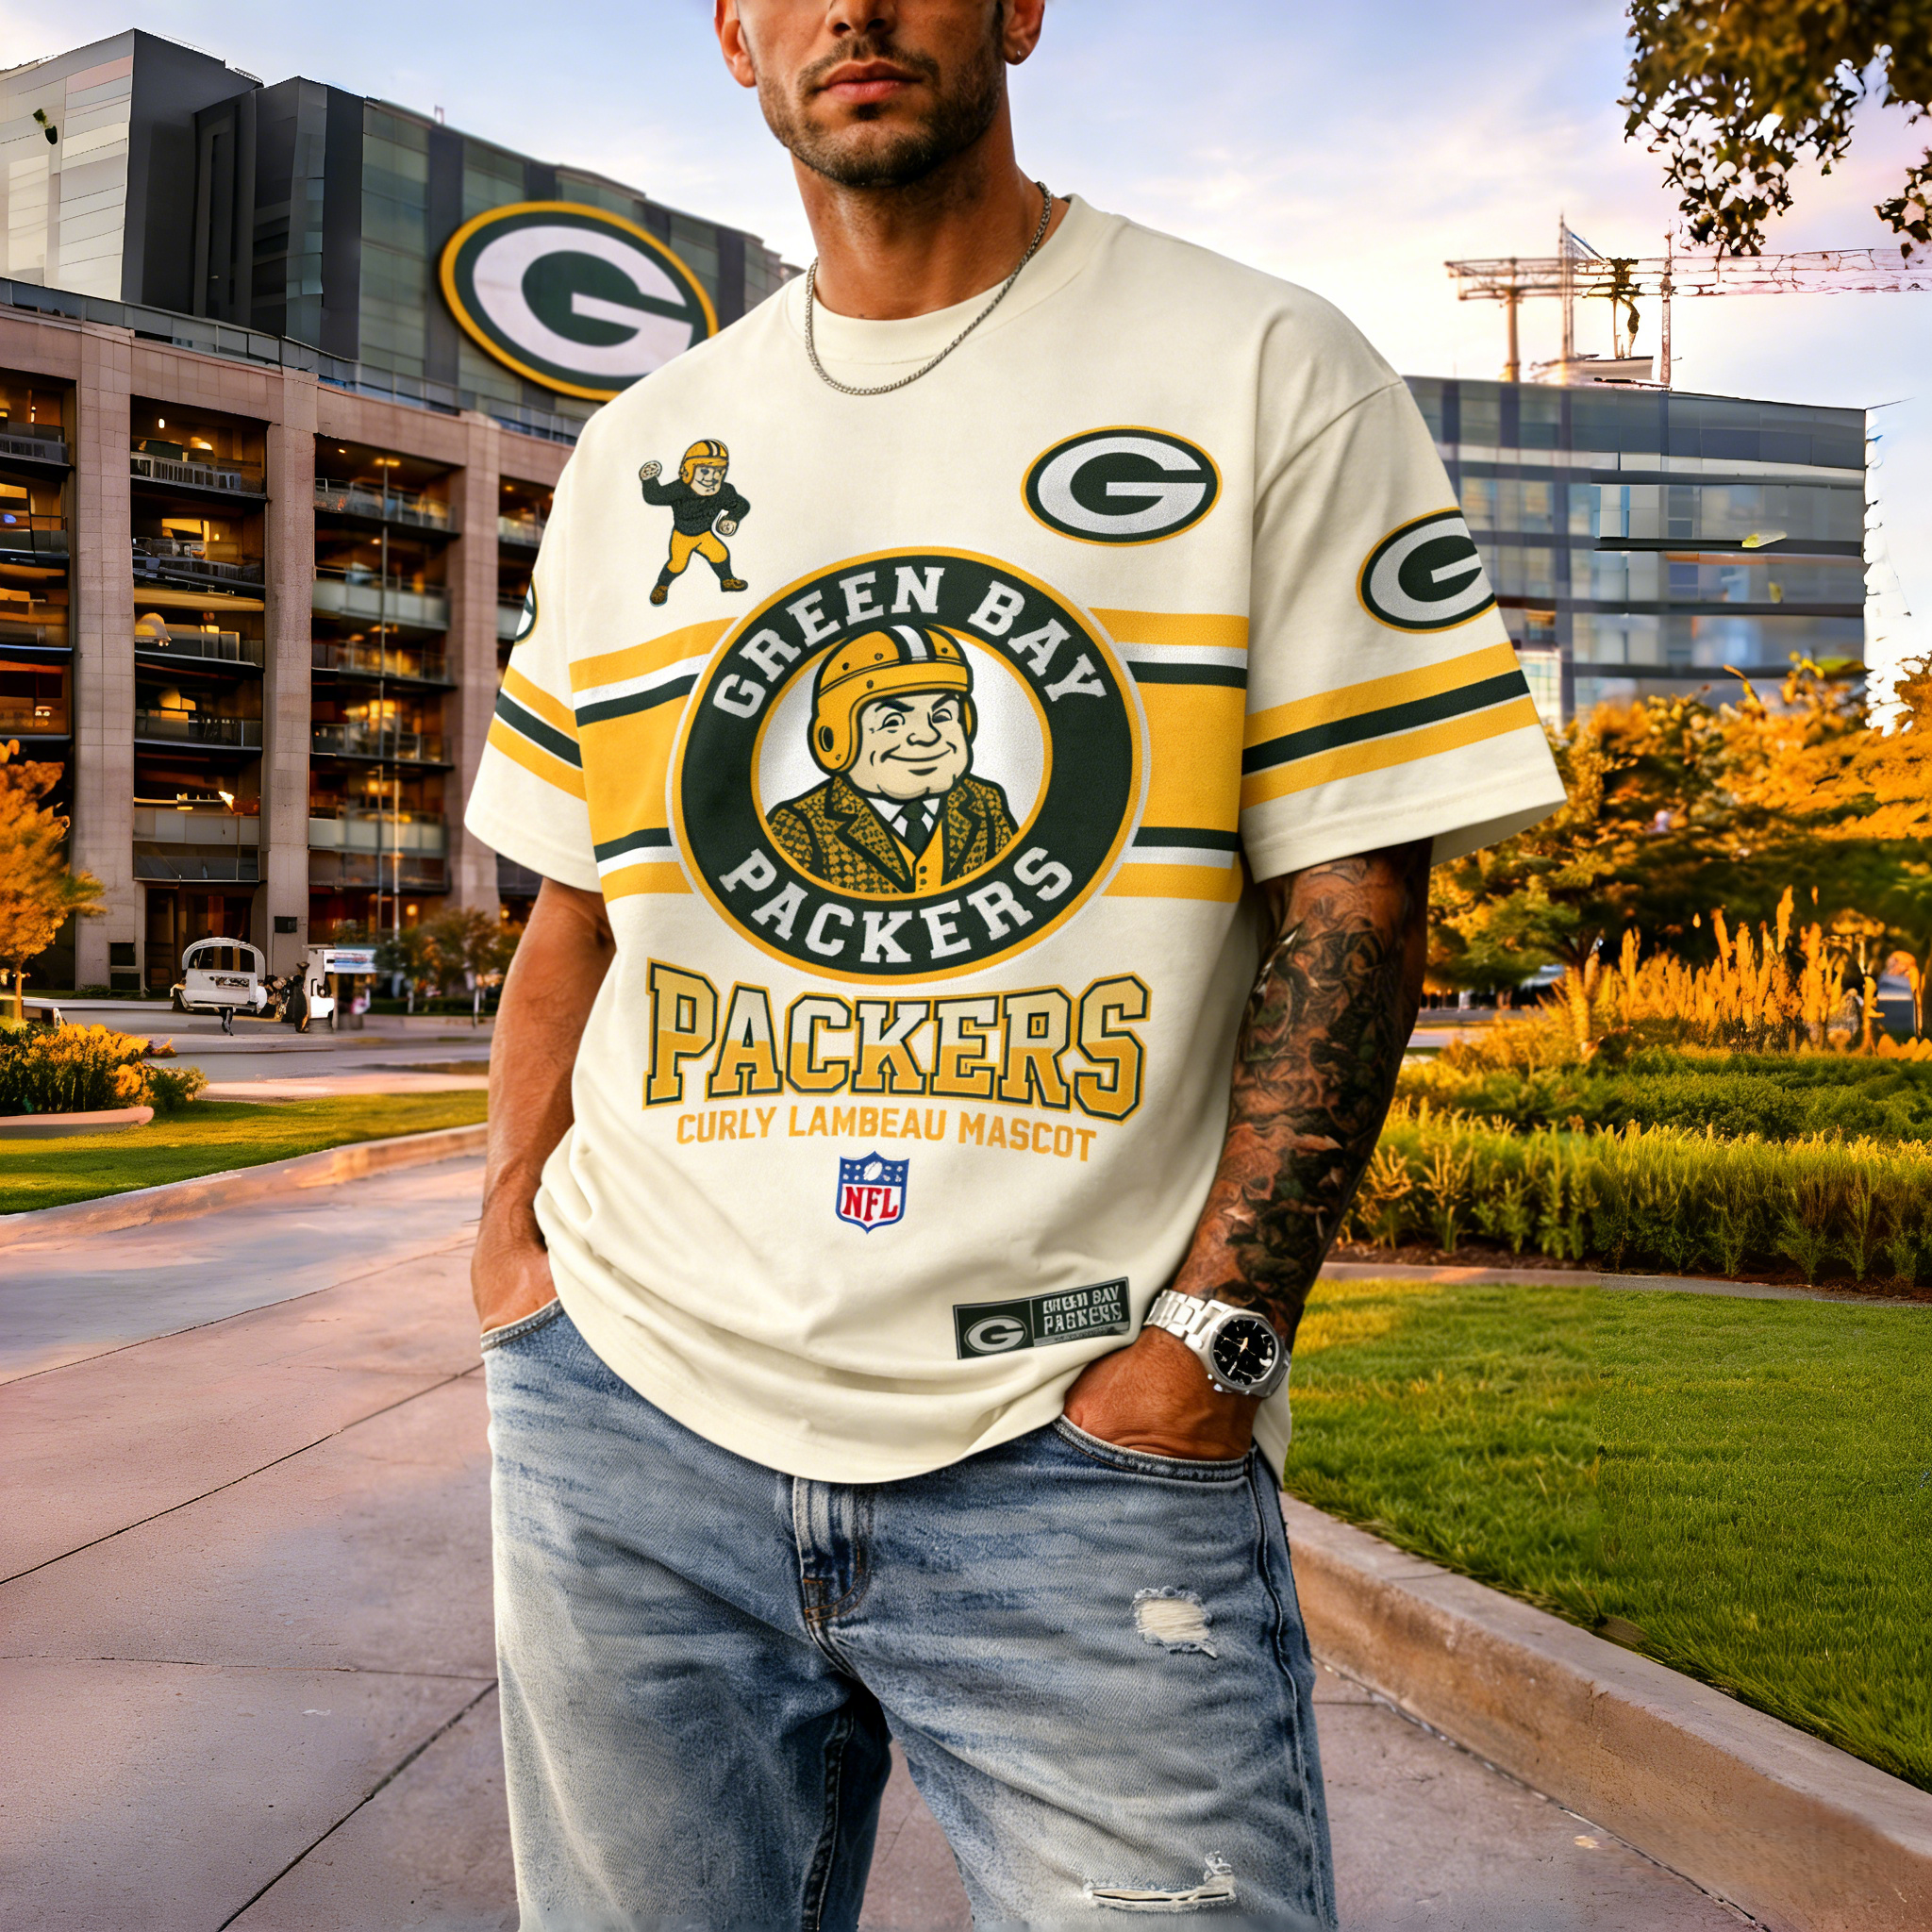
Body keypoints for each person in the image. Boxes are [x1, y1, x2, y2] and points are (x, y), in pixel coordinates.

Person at [465, 3, 1566, 1925]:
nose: (856, 16)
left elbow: (1355, 895)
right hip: (628, 1415)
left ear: (1020, 8)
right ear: (733, 38)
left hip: (1074, 1450)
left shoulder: (1256, 366)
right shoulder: (647, 447)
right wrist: (509, 1256)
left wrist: (1212, 1345)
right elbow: (573, 900)